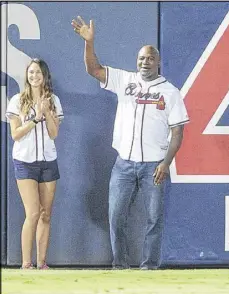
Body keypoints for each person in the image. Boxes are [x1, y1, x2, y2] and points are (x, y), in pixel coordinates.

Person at [71, 16, 189, 270]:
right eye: (141, 58)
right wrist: (89, 43)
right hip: (123, 164)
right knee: (115, 216)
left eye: (149, 58)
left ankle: (149, 268)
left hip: (153, 166)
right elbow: (93, 69)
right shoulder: (125, 80)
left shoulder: (170, 92)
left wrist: (166, 163)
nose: (144, 62)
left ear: (158, 62)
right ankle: (120, 266)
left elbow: (177, 132)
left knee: (154, 219)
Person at [6, 58, 64, 269]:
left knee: (45, 214)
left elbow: (54, 133)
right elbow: (15, 134)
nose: (34, 76)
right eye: (31, 73)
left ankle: (42, 263)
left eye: (38, 72)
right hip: (25, 162)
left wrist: (47, 112)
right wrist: (35, 118)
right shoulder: (17, 101)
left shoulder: (54, 100)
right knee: (32, 213)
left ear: (45, 75)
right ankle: (26, 263)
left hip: (48, 162)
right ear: (27, 76)